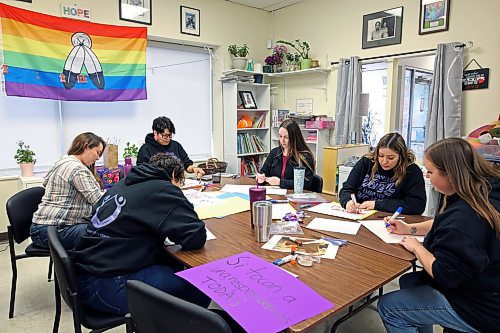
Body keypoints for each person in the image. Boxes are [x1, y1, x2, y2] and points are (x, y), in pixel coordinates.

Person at [378, 137, 500, 333]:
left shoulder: (465, 218)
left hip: (482, 308)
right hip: (487, 286)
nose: (427, 176)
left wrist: (417, 247)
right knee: (408, 282)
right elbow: (444, 223)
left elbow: (444, 274)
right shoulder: (481, 191)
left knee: (389, 307)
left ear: (450, 175)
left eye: (430, 172)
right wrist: (410, 229)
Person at [72, 153, 210, 315]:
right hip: (108, 285)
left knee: (171, 265)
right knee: (203, 288)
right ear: (173, 175)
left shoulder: (123, 184)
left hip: (86, 276)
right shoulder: (162, 188)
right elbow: (195, 237)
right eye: (179, 182)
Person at [30, 132, 106, 249]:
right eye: (97, 152)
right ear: (86, 146)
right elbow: (98, 200)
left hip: (46, 228)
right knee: (104, 234)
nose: (98, 158)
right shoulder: (76, 168)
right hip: (50, 231)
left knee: (101, 229)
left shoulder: (64, 161)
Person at [339, 132, 426, 215]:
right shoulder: (366, 163)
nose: (384, 161)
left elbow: (417, 205)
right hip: (359, 214)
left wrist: (377, 204)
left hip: (388, 219)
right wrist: (347, 202)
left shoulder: (411, 171)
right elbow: (347, 189)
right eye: (380, 155)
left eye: (391, 158)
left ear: (401, 156)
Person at [137, 116, 205, 178]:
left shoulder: (176, 145)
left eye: (170, 135)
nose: (168, 138)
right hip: (158, 185)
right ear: (155, 133)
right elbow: (143, 172)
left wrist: (194, 169)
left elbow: (186, 164)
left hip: (178, 183)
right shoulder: (145, 149)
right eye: (165, 135)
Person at [256, 119, 315, 190]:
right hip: (275, 194)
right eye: (280, 136)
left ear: (294, 138)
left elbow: (305, 184)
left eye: (286, 137)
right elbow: (263, 172)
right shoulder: (274, 153)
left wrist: (280, 182)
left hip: (295, 196)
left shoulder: (305, 157)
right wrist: (260, 177)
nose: (282, 141)